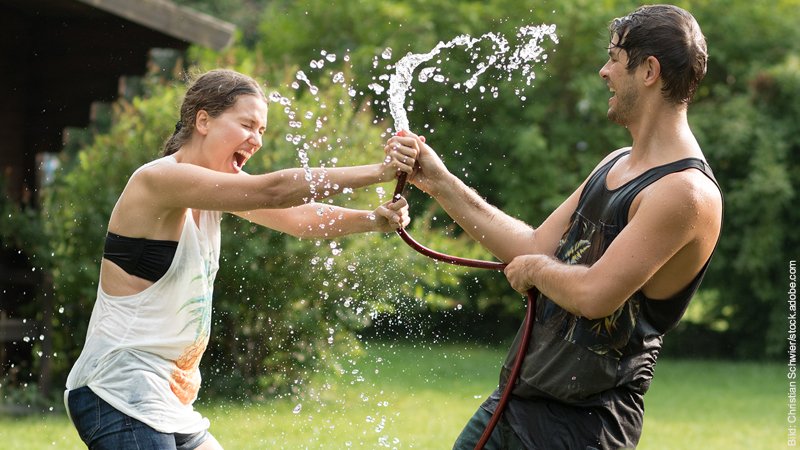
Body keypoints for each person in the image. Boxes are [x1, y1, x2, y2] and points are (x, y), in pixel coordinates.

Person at [388, 5, 723, 449]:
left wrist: (535, 272)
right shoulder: (614, 164)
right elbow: (530, 245)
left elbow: (595, 295)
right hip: (513, 402)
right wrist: (439, 181)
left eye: (613, 58)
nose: (604, 72)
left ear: (649, 71)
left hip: (583, 427)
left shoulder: (685, 192)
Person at [64, 68, 419, 450]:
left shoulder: (215, 191)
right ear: (203, 120)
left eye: (262, 131)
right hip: (116, 390)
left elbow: (299, 217)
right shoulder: (159, 181)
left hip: (166, 400)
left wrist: (371, 220)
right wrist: (381, 171)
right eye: (248, 125)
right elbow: (276, 190)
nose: (256, 140)